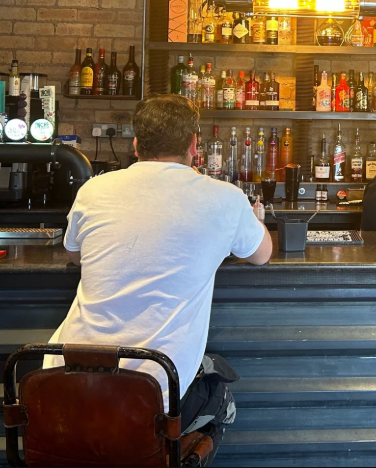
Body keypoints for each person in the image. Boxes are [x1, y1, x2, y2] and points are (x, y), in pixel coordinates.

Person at [45, 95, 272, 461]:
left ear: (136, 145)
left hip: (63, 385)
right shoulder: (225, 198)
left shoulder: (93, 189)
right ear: (194, 146)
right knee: (220, 393)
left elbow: (76, 255)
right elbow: (261, 255)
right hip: (153, 398)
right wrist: (246, 221)